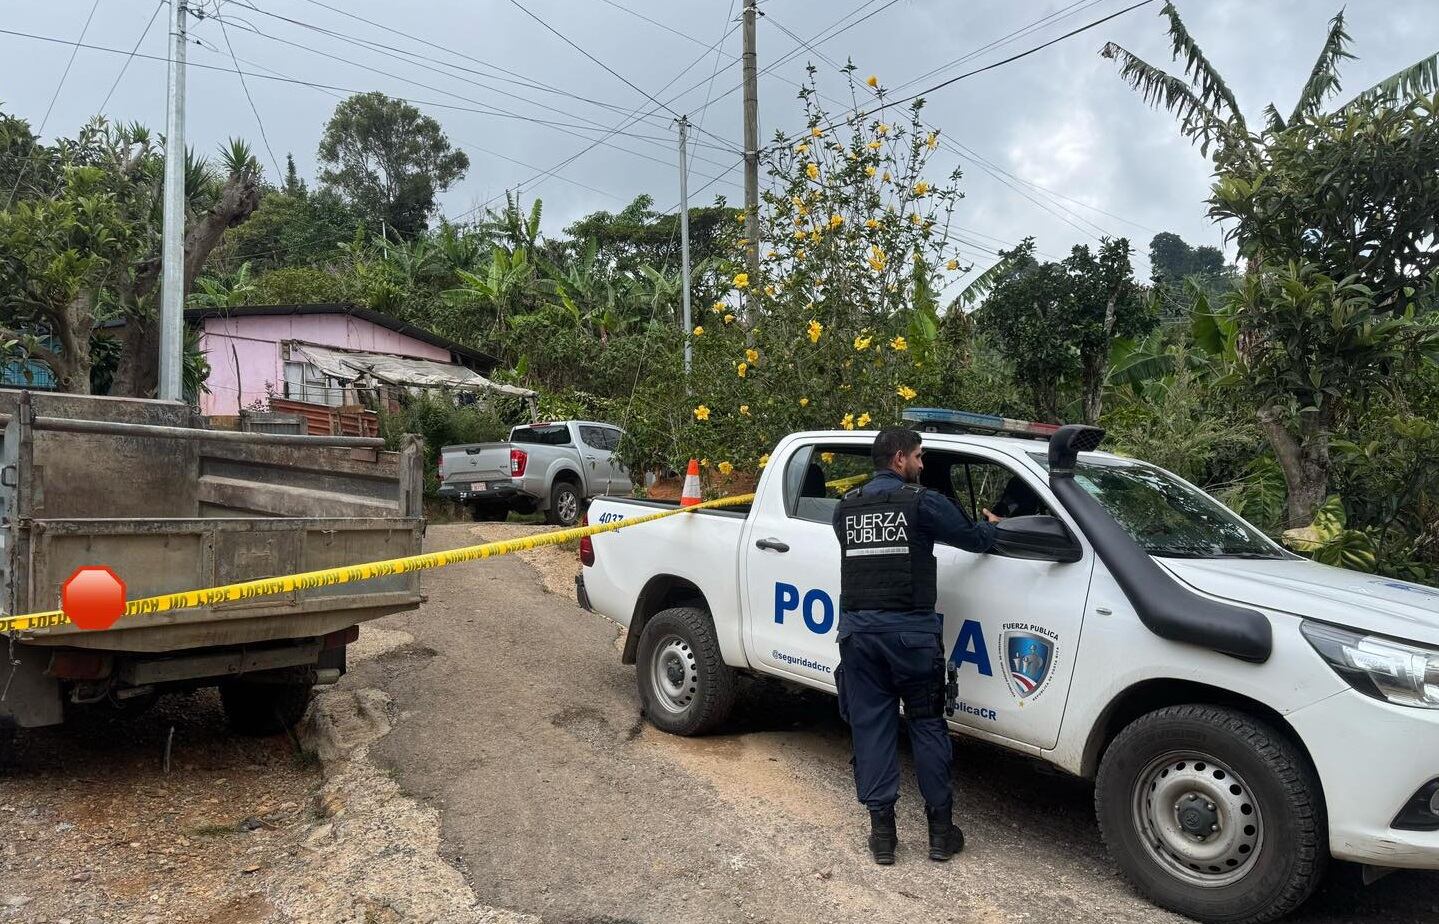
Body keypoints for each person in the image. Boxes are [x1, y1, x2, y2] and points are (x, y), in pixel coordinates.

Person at [831, 427, 1000, 865]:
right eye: (920, 457)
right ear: (900, 458)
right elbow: (974, 539)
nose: (923, 465)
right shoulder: (923, 502)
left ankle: (882, 837)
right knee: (927, 726)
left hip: (859, 639)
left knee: (871, 729)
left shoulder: (845, 508)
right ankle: (941, 834)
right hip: (911, 639)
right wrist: (992, 526)